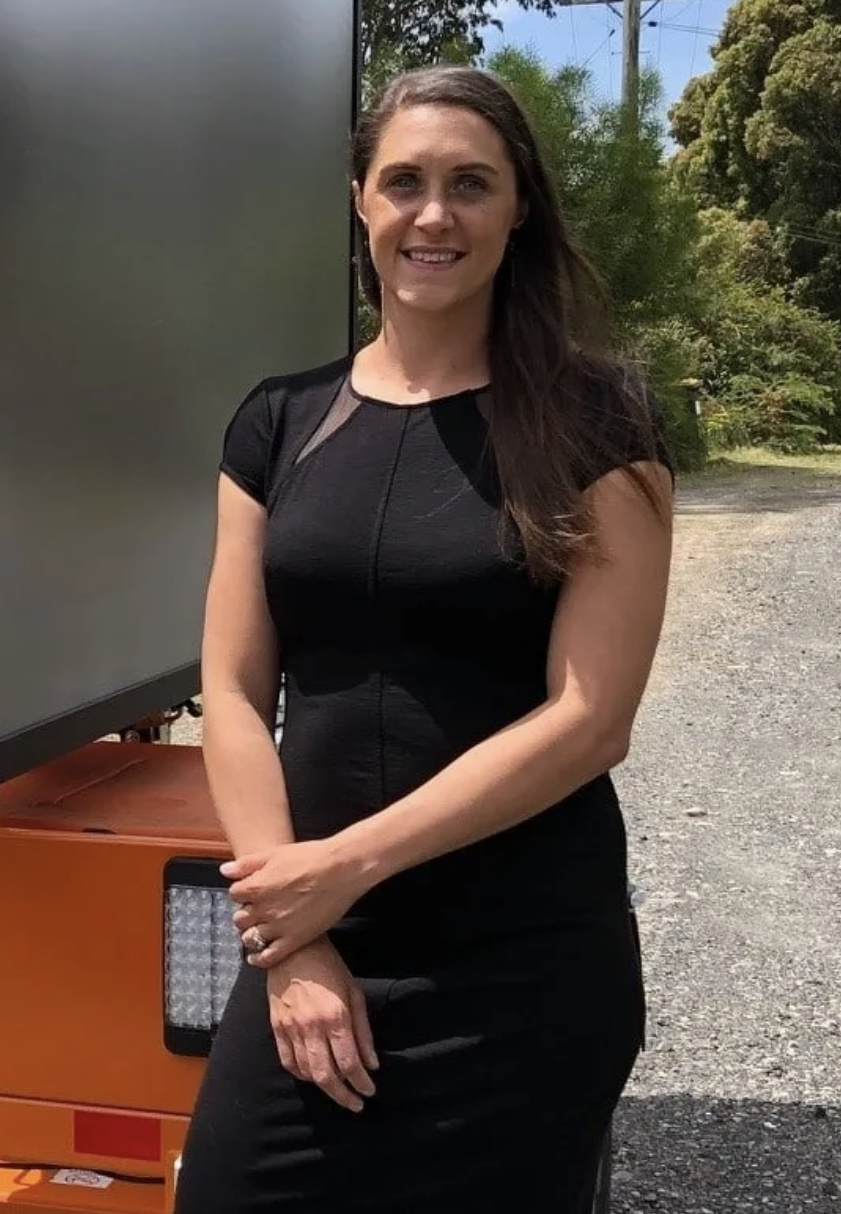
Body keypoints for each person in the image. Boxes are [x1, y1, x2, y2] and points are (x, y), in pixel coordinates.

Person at [171, 65, 673, 1212]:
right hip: (310, 935)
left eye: (469, 184)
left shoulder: (598, 422)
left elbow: (590, 717)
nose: (432, 213)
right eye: (403, 182)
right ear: (360, 200)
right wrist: (292, 942)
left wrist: (342, 865)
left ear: (518, 208)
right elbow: (234, 687)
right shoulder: (279, 420)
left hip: (523, 961)